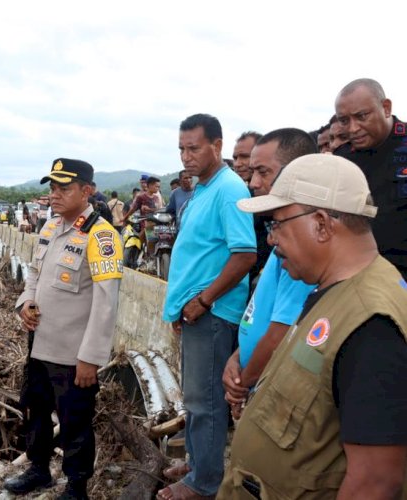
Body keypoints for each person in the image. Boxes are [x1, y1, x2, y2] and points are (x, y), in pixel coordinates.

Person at [219, 153, 407, 499]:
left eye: (277, 224)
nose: (271, 241)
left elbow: (376, 481)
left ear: (321, 223)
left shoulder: (370, 326)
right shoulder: (334, 291)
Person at [3, 158, 122, 500]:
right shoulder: (50, 227)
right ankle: (39, 470)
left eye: (64, 188)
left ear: (87, 191)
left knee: (75, 423)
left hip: (73, 354)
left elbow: (106, 302)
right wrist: (25, 303)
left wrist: (91, 357)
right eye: (52, 188)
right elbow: (34, 275)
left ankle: (76, 485)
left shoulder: (101, 236)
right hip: (40, 344)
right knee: (36, 411)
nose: (55, 195)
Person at [158, 114, 256, 500]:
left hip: (212, 314)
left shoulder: (229, 189)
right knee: (196, 397)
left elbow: (245, 254)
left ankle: (205, 482)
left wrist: (204, 300)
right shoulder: (202, 188)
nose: (186, 156)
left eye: (194, 148)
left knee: (207, 401)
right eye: (182, 148)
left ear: (217, 146)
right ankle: (199, 462)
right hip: (195, 312)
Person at [221, 128, 317, 420]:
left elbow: (281, 331)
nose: (253, 183)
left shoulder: (303, 254)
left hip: (272, 387)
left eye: (262, 172)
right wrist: (237, 357)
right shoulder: (282, 243)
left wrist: (243, 382)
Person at [334, 78, 407, 278]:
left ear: (386, 107)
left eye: (361, 116)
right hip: (359, 274)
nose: (352, 128)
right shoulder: (342, 158)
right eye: (344, 120)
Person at [123, 176, 161, 256]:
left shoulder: (156, 197)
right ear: (150, 185)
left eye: (159, 187)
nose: (158, 188)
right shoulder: (141, 197)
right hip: (145, 222)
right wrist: (125, 218)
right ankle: (143, 255)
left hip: (156, 223)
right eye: (156, 186)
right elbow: (133, 209)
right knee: (146, 240)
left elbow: (158, 210)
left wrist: (150, 209)